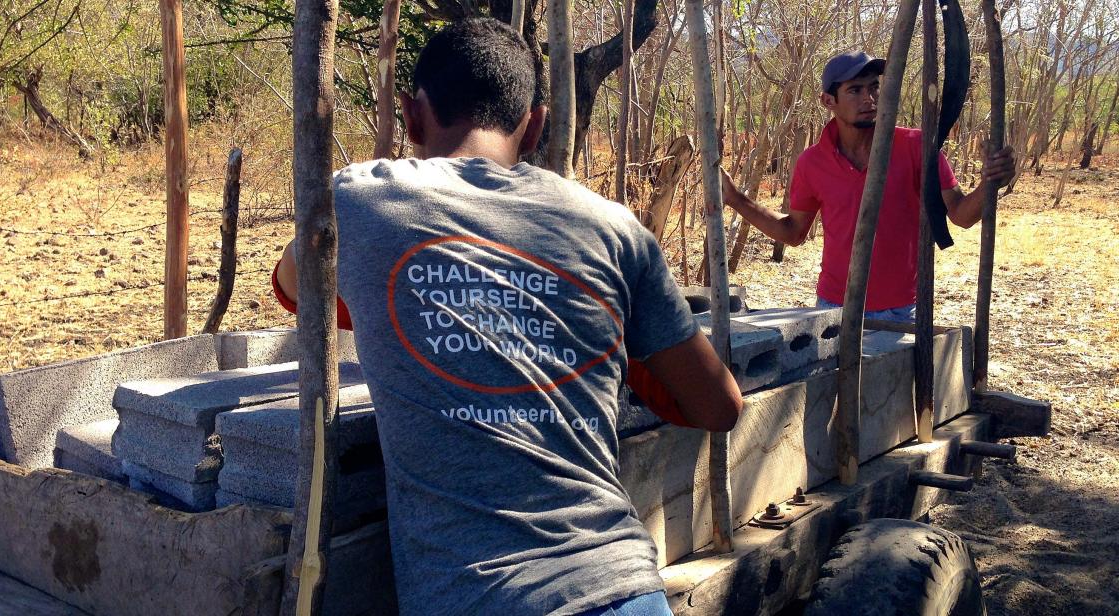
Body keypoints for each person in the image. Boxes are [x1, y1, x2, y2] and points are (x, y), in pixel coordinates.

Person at [272, 18, 743, 616]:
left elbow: (294, 288)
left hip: (475, 598)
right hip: (623, 586)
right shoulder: (614, 227)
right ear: (537, 125)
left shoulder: (360, 201)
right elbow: (718, 406)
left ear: (412, 118)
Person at [719, 51, 1018, 322]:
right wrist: (735, 199)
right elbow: (793, 232)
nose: (869, 98)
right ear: (828, 100)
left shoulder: (915, 146)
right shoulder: (812, 162)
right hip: (835, 307)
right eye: (855, 90)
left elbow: (961, 215)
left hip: (903, 310)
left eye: (874, 87)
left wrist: (990, 183)